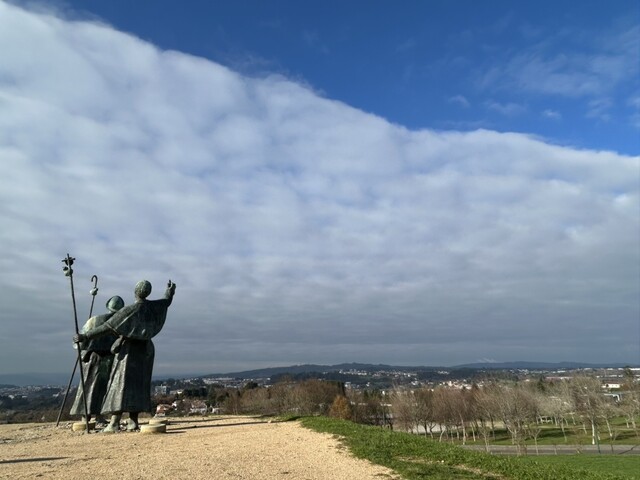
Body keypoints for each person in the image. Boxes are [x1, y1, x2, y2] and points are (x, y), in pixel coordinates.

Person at [74, 279, 176, 432]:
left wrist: (86, 336)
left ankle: (114, 422)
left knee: (120, 385)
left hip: (129, 350)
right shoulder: (154, 307)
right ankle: (133, 421)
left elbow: (106, 327)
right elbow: (166, 302)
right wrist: (170, 291)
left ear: (135, 292)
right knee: (138, 385)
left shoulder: (129, 310)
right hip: (146, 350)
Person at [70, 295, 124, 427]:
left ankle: (86, 416)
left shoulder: (94, 320)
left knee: (88, 387)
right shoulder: (121, 323)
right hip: (108, 358)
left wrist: (80, 346)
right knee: (102, 388)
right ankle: (98, 416)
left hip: (93, 357)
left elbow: (79, 342)